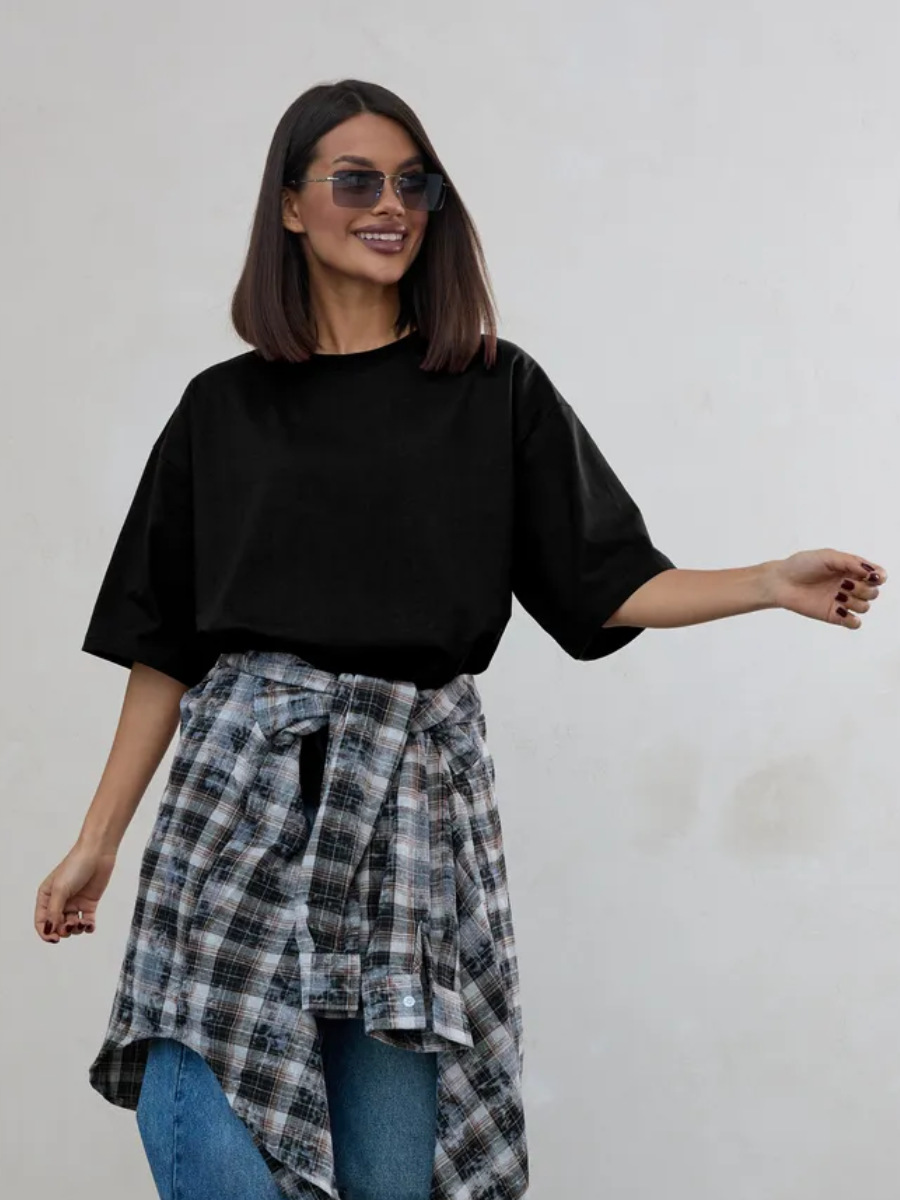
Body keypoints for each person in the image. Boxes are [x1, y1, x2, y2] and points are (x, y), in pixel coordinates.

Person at [34, 79, 885, 1200]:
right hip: (235, 811)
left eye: (412, 183)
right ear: (290, 205)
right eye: (355, 181)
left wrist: (768, 582)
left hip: (411, 824)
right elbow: (164, 647)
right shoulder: (220, 409)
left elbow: (609, 581)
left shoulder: (494, 389)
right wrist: (97, 840)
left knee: (392, 1181)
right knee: (200, 1124)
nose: (390, 205)